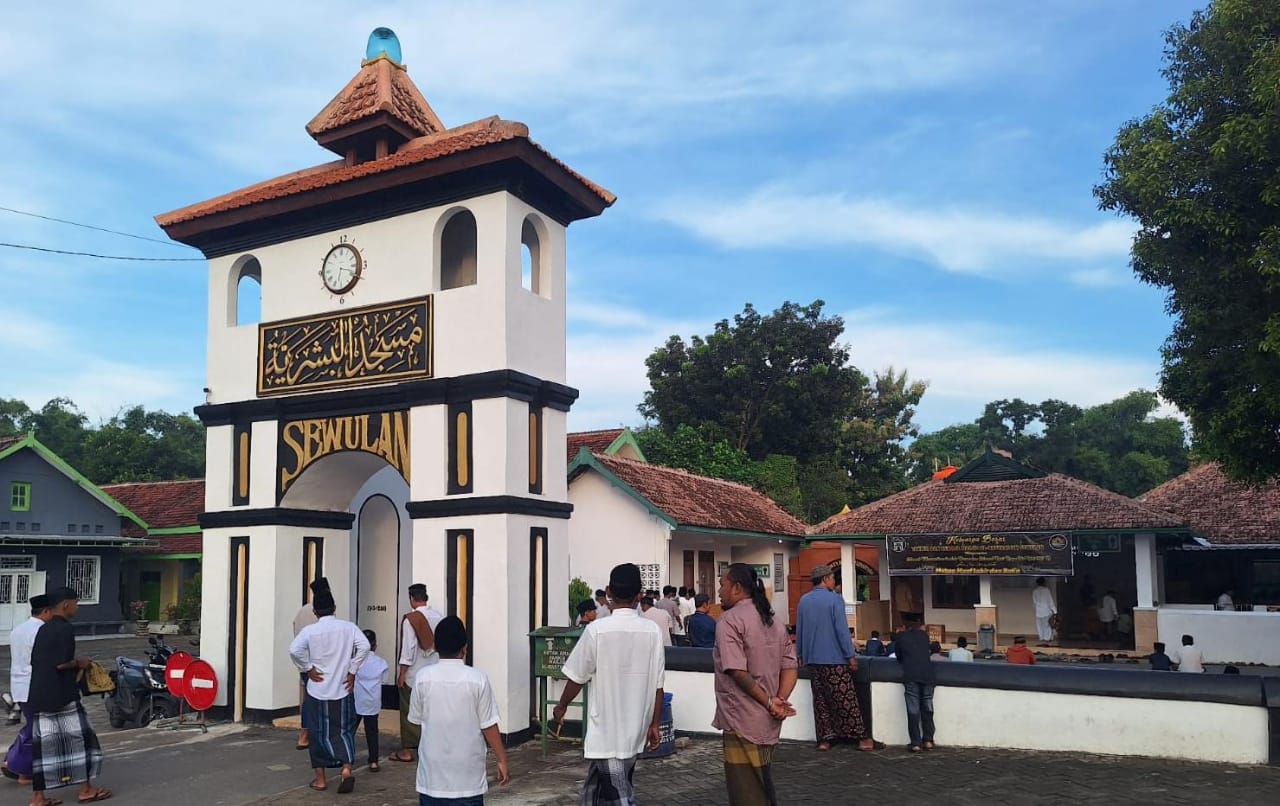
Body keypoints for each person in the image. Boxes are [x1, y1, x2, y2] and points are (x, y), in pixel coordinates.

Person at [553, 563, 664, 806]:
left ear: (608, 591)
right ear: (639, 595)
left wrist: (561, 706)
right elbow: (658, 686)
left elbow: (576, 677)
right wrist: (655, 723)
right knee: (595, 792)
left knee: (620, 798)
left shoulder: (596, 631)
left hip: (606, 732)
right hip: (635, 729)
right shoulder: (652, 632)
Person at [713, 563, 798, 806]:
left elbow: (738, 672)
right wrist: (778, 699)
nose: (719, 591)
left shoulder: (729, 620)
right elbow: (790, 664)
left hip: (742, 716)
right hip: (767, 718)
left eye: (722, 585)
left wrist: (772, 702)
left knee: (747, 791)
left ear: (737, 588)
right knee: (761, 782)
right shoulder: (773, 620)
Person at [409, 617, 510, 805]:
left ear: (436, 647)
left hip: (432, 777)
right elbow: (488, 725)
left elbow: (416, 720)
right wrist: (502, 759)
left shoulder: (422, 678)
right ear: (465, 648)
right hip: (468, 778)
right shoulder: (478, 679)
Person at [28, 586, 109, 805]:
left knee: (44, 748)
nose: (77, 606)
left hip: (39, 694)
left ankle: (38, 798)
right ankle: (86, 789)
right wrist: (80, 663)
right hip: (62, 696)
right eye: (76, 602)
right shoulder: (64, 629)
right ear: (65, 605)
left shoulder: (43, 629)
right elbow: (61, 663)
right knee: (82, 740)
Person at [289, 589, 371, 793]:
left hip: (317, 690)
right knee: (344, 731)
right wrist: (352, 670)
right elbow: (365, 646)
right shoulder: (348, 628)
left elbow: (294, 650)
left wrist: (308, 668)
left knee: (317, 735)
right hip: (342, 688)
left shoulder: (309, 631)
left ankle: (321, 780)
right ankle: (346, 770)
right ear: (334, 608)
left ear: (315, 611)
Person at [794, 564, 878, 753]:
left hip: (812, 659)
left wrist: (800, 654)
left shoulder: (803, 601)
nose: (834, 581)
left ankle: (825, 739)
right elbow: (841, 631)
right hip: (834, 659)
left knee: (821, 701)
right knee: (845, 699)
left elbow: (799, 630)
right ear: (825, 579)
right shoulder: (834, 600)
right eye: (832, 578)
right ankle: (862, 738)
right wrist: (850, 656)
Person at [391, 583, 444, 764]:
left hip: (415, 673)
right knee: (430, 710)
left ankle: (408, 750)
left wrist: (402, 673)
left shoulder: (411, 619)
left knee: (409, 711)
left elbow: (409, 649)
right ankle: (430, 746)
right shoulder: (438, 617)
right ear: (426, 597)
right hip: (435, 670)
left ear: (412, 599)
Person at [3, 594, 51, 785]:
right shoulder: (43, 631)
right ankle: (19, 767)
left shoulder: (18, 630)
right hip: (35, 686)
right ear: (46, 611)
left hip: (19, 685)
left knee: (33, 725)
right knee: (36, 728)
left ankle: (13, 761)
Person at [293, 577, 331, 751]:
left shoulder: (302, 611)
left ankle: (306, 733)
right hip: (320, 663)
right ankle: (308, 734)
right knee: (316, 700)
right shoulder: (320, 614)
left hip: (305, 664)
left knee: (308, 699)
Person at [895, 618, 936, 753]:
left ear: (905, 627)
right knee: (928, 708)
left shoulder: (901, 637)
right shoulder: (924, 636)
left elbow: (898, 656)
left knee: (913, 711)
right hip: (928, 675)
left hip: (911, 675)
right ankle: (928, 740)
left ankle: (916, 743)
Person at [353, 629, 389, 773]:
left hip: (356, 700)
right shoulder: (381, 663)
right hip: (372, 702)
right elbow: (384, 682)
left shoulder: (355, 662)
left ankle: (345, 759)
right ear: (375, 645)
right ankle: (373, 761)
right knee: (372, 731)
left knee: (350, 731)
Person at [1031, 578, 1057, 644]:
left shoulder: (1034, 591)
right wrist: (1055, 611)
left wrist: (1036, 609)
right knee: (1047, 626)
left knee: (1040, 626)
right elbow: (1050, 601)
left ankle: (1042, 638)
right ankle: (1047, 639)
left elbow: (1034, 602)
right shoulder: (1046, 590)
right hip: (1046, 611)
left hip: (1038, 612)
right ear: (1044, 583)